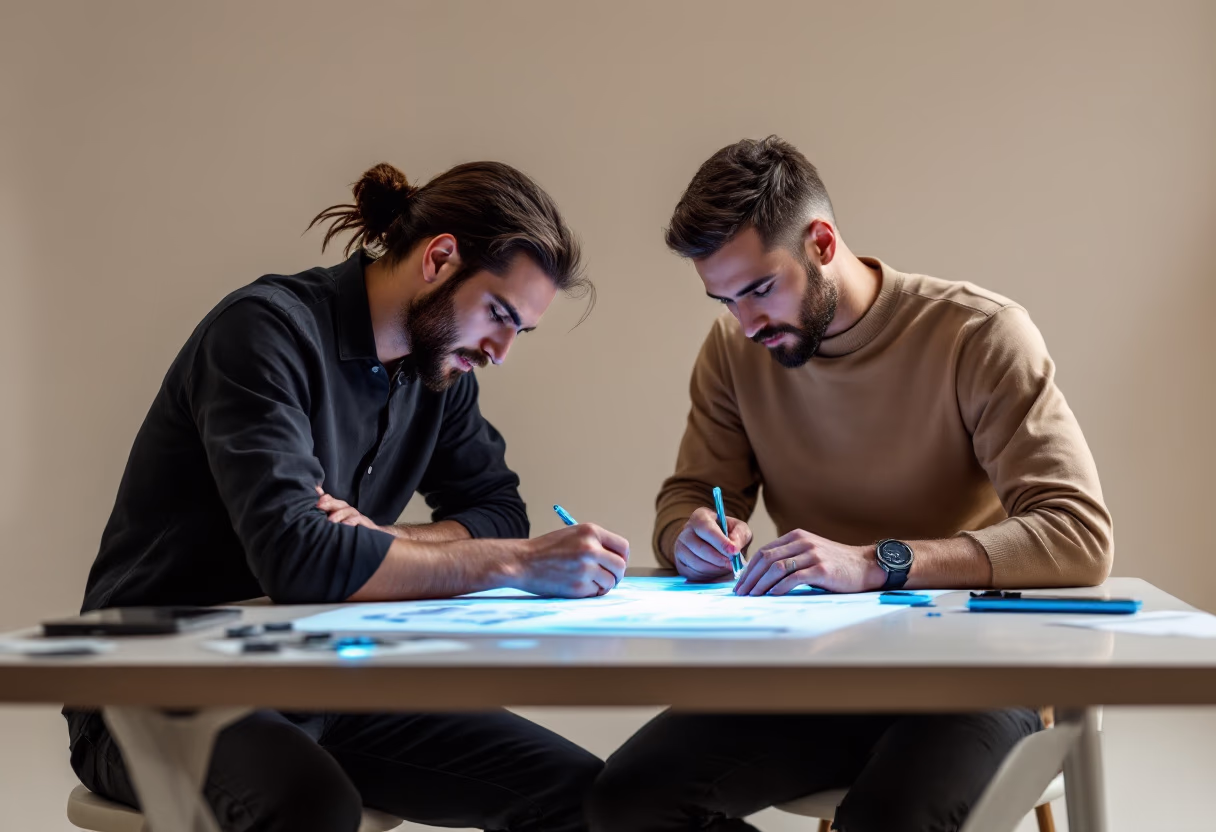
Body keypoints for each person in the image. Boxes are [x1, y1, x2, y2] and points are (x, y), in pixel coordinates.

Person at [67, 160, 630, 832]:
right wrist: (517, 563)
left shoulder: (438, 375)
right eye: (498, 314)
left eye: (520, 331)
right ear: (440, 258)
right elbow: (300, 562)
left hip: (322, 682)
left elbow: (496, 511)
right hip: (153, 686)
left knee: (585, 797)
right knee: (312, 807)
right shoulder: (263, 333)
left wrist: (380, 541)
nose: (501, 351)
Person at [589, 136, 1113, 832]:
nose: (745, 323)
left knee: (891, 818)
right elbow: (688, 495)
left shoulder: (980, 333)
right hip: (822, 674)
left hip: (978, 674)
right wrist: (689, 536)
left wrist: (875, 563)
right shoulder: (733, 349)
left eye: (759, 289)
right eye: (724, 298)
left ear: (822, 242)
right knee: (624, 801)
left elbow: (1076, 535)